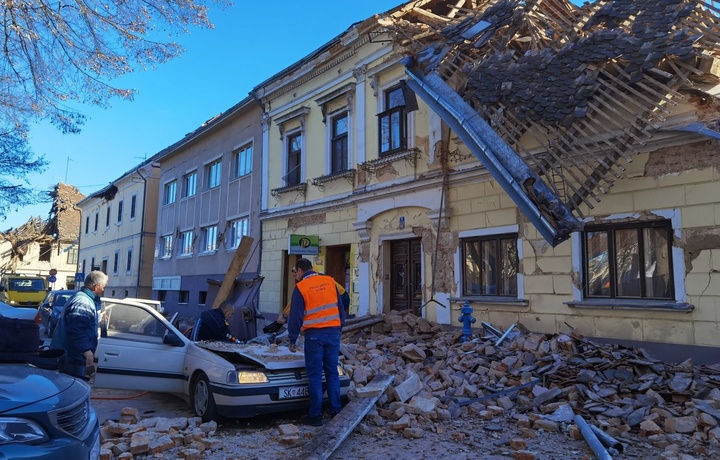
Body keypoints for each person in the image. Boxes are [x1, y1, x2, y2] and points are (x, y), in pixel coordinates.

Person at [287, 258, 345, 426]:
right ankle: (336, 411)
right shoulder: (329, 281)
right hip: (333, 333)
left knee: (315, 377)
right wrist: (339, 327)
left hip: (314, 335)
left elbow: (296, 316)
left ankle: (315, 416)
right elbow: (340, 307)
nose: (295, 276)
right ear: (311, 268)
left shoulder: (301, 287)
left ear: (299, 271)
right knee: (332, 373)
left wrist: (292, 338)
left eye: (295, 273)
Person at [50, 270, 108, 379]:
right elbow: (76, 329)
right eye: (103, 286)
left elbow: (80, 323)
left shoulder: (83, 298)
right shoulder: (83, 302)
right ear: (96, 287)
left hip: (71, 354)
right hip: (71, 356)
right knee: (72, 390)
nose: (104, 289)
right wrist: (85, 350)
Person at [277, 277, 349, 325]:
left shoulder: (309, 283)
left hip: (342, 296)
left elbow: (296, 302)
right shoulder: (314, 279)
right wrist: (284, 312)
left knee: (332, 317)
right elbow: (293, 300)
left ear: (299, 271)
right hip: (338, 295)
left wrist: (285, 315)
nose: (296, 278)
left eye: (295, 275)